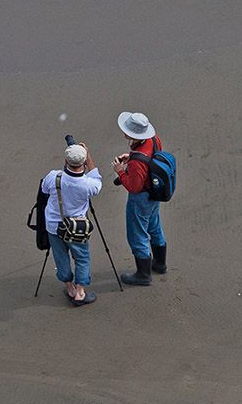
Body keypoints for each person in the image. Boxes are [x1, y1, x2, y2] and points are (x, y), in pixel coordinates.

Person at [41, 142, 102, 306]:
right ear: (82, 163)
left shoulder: (54, 176)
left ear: (66, 160)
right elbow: (97, 180)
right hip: (77, 227)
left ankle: (70, 288)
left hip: (54, 226)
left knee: (61, 257)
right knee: (82, 258)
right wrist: (88, 157)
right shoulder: (88, 184)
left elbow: (44, 189)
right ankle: (80, 292)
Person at [112, 110, 167, 286]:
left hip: (141, 198)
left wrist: (120, 171)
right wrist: (132, 156)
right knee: (154, 227)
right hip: (155, 193)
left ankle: (143, 275)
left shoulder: (137, 162)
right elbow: (153, 158)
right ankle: (160, 263)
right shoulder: (153, 140)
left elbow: (134, 187)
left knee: (137, 235)